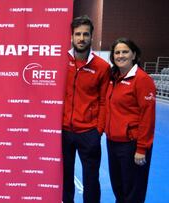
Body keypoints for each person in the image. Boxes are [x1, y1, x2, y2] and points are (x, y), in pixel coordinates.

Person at [62, 15, 111, 203]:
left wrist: (98, 130)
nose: (81, 38)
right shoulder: (61, 62)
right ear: (72, 37)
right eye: (77, 34)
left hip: (89, 133)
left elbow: (103, 101)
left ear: (91, 37)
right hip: (65, 131)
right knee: (66, 178)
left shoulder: (102, 67)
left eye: (85, 34)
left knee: (91, 180)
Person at [105, 38, 156, 203]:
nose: (120, 55)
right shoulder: (113, 78)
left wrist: (142, 148)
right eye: (117, 52)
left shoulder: (142, 79)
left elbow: (147, 117)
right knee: (119, 189)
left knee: (133, 192)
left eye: (125, 51)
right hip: (113, 143)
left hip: (132, 144)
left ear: (134, 54)